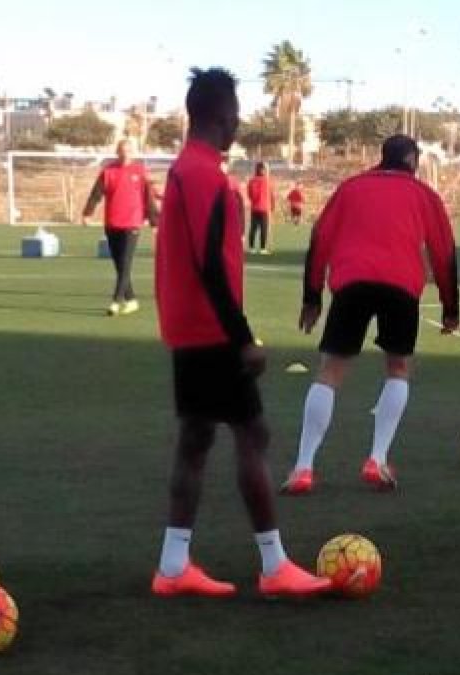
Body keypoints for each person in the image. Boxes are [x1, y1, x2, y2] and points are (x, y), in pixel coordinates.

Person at [151, 67, 330, 599]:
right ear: (222, 116)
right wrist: (243, 337)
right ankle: (274, 565)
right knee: (253, 435)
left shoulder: (185, 169)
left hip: (187, 328)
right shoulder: (205, 176)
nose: (238, 121)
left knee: (196, 439)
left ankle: (173, 565)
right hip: (211, 330)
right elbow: (209, 264)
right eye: (235, 112)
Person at [281, 134, 460, 495]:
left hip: (352, 284)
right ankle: (376, 459)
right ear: (413, 160)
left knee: (330, 372)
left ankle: (303, 467)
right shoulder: (424, 195)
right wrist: (450, 306)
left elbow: (320, 238)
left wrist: (312, 297)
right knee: (398, 368)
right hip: (401, 286)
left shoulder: (351, 187)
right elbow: (444, 251)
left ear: (383, 156)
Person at [81, 139, 158, 316]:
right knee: (119, 265)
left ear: (133, 152)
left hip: (132, 223)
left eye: (129, 150)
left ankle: (116, 301)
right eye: (122, 150)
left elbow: (148, 198)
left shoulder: (140, 171)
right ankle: (132, 300)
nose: (125, 153)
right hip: (112, 223)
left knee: (125, 263)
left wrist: (154, 222)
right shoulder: (108, 171)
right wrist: (87, 213)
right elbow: (96, 193)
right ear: (117, 152)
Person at [245, 163, 274, 254]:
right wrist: (272, 206)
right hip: (264, 208)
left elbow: (250, 194)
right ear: (263, 170)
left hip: (255, 208)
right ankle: (262, 248)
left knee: (253, 228)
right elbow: (271, 195)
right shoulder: (267, 181)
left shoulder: (252, 181)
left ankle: (251, 248)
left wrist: (253, 201)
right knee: (263, 228)